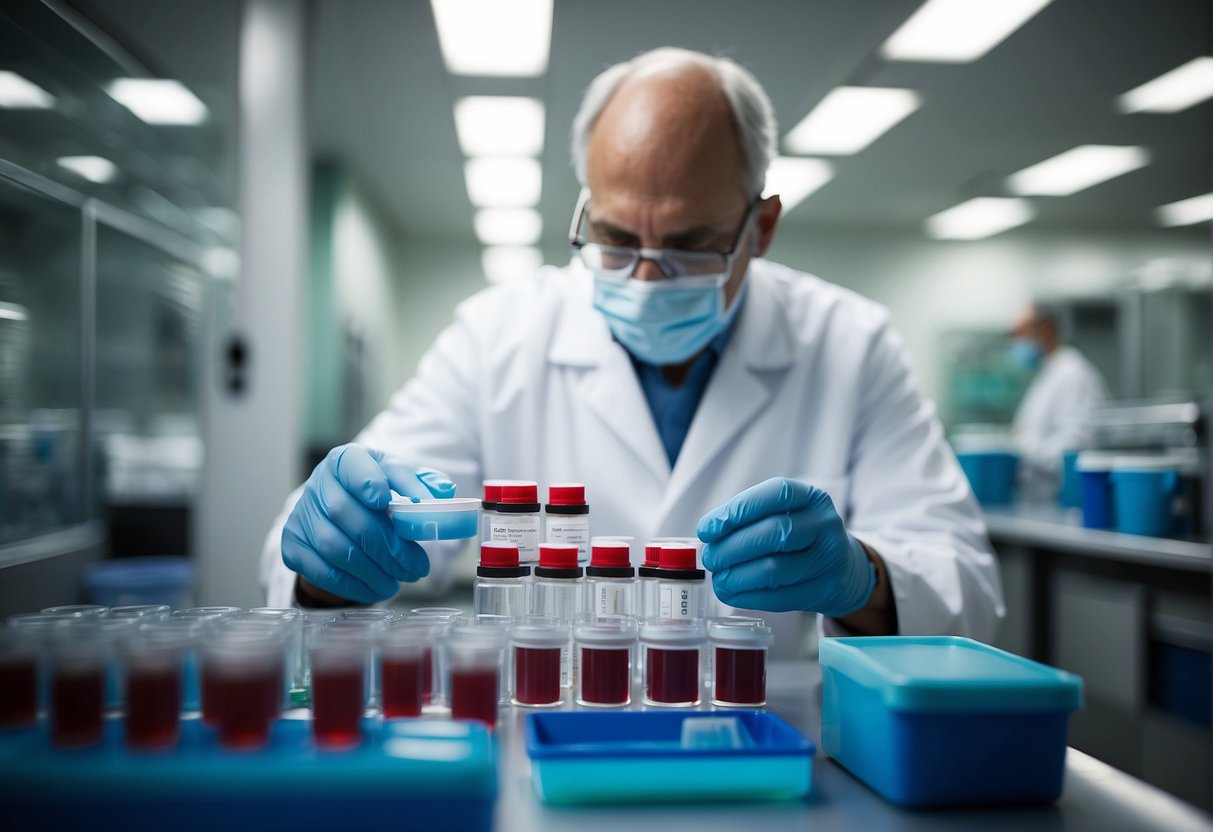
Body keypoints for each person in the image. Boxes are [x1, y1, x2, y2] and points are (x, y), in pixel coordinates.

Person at [260, 47, 1004, 641]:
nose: (645, 278)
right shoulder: (496, 336)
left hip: (770, 734)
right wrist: (330, 552)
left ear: (761, 227)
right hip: (546, 723)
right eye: (614, 239)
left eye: (689, 246)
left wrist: (862, 576)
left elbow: (963, 586)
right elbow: (326, 552)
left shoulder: (853, 342)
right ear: (586, 208)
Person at [1009, 303, 1109, 500]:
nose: (1016, 343)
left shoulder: (1074, 375)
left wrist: (1021, 443)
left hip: (1064, 502)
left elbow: (1074, 453)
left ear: (1046, 330)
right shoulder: (1048, 374)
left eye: (1021, 333)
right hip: (1040, 501)